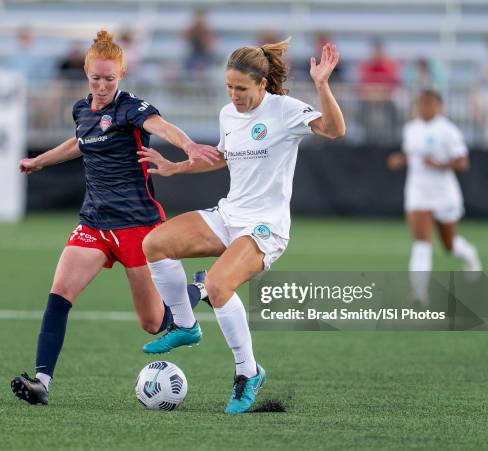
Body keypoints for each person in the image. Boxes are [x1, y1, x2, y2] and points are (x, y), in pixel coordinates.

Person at [10, 30, 219, 405]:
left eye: (109, 79)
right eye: (96, 78)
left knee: (153, 322)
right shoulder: (81, 109)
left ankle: (200, 289)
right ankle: (41, 381)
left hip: (138, 226)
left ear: (120, 76)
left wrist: (187, 146)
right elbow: (78, 141)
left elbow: (162, 126)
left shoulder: (130, 108)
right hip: (94, 223)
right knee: (60, 295)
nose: (102, 85)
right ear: (87, 75)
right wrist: (39, 161)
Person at [138, 39, 346, 414]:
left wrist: (322, 85)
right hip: (228, 216)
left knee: (217, 285)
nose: (233, 95)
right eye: (229, 87)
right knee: (155, 244)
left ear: (262, 84)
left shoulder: (284, 110)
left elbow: (335, 130)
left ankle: (248, 373)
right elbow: (222, 158)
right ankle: (185, 325)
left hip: (266, 228)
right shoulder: (228, 115)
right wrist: (176, 166)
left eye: (241, 88)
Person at [387, 90, 482, 304]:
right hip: (417, 193)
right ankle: (419, 292)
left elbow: (462, 163)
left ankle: (469, 253)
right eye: (422, 104)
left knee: (449, 245)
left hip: (444, 194)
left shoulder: (448, 131)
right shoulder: (411, 129)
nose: (425, 108)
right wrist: (400, 160)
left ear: (439, 107)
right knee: (422, 242)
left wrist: (440, 165)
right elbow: (410, 154)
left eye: (430, 104)